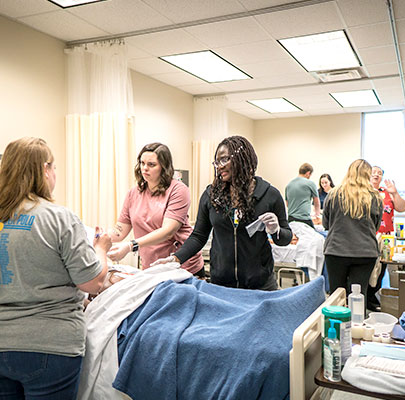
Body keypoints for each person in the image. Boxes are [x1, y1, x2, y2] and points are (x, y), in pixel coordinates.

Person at [0, 137, 111, 399]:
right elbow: (93, 283)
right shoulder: (59, 218)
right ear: (44, 169)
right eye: (54, 167)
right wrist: (102, 249)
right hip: (50, 346)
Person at [153, 136, 292, 290]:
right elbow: (199, 236)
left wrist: (276, 230)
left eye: (224, 160)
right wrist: (176, 259)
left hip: (260, 285)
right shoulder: (211, 196)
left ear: (242, 159)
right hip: (221, 284)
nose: (219, 166)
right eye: (217, 162)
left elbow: (284, 239)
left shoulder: (269, 195)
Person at [107, 142, 204, 275]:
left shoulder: (178, 190)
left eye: (151, 165)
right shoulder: (133, 193)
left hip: (181, 266)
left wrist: (130, 246)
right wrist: (100, 236)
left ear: (164, 167)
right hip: (151, 267)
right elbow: (120, 230)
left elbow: (167, 231)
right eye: (142, 163)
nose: (145, 168)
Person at [322, 159, 383, 299]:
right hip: (365, 253)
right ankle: (358, 320)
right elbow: (376, 226)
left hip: (337, 251)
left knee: (336, 297)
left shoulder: (333, 194)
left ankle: (337, 321)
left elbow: (326, 224)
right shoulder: (375, 197)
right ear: (368, 175)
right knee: (359, 297)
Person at [367, 166, 405, 311]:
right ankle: (366, 296)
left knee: (382, 267)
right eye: (374, 172)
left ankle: (372, 295)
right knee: (369, 267)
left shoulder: (387, 192)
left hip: (386, 236)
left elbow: (402, 208)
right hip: (369, 235)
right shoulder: (363, 191)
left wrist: (395, 193)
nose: (376, 175)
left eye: (379, 173)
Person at [285, 163, 320, 228]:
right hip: (304, 219)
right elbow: (316, 202)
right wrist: (317, 215)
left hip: (291, 219)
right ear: (308, 173)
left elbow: (287, 204)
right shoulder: (310, 183)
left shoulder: (289, 185)